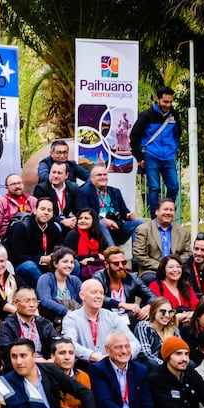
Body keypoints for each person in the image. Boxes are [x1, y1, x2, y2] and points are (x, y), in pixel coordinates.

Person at [61, 279, 141, 365]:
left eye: (101, 293)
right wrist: (93, 355)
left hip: (113, 364)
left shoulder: (113, 316)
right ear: (82, 295)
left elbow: (135, 343)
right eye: (94, 292)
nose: (99, 296)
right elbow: (70, 344)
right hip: (84, 365)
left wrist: (122, 355)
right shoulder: (71, 318)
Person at [131, 86, 181, 217]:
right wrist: (140, 158)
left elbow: (177, 133)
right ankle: (155, 218)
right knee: (154, 188)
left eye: (170, 102)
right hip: (151, 155)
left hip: (168, 156)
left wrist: (173, 148)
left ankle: (167, 213)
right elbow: (134, 136)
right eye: (165, 102)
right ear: (157, 99)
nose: (168, 105)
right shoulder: (146, 115)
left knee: (174, 187)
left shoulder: (174, 115)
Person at [77, 164, 142, 246]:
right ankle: (113, 253)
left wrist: (128, 215)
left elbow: (124, 211)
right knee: (102, 223)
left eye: (105, 174)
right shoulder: (84, 192)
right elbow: (85, 213)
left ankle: (136, 258)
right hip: (97, 228)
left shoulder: (115, 191)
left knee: (138, 223)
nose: (102, 177)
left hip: (117, 226)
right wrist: (102, 219)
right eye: (99, 175)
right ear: (92, 178)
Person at [5, 196, 62, 287]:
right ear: (35, 210)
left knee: (73, 263)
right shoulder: (22, 227)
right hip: (25, 266)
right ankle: (47, 291)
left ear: (52, 214)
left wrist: (55, 257)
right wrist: (41, 259)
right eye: (42, 209)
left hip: (49, 264)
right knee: (29, 267)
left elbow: (60, 248)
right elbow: (17, 257)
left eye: (49, 210)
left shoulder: (54, 228)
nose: (46, 212)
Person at [93, 246, 156, 324]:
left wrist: (149, 306)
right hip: (105, 319)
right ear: (106, 264)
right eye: (116, 263)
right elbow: (97, 297)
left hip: (128, 318)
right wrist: (122, 305)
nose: (121, 266)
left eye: (123, 263)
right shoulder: (99, 277)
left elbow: (152, 296)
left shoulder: (132, 278)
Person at [0, 287, 57, 366]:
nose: (32, 305)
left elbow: (56, 345)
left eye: (34, 301)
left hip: (45, 366)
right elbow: (6, 352)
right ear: (15, 303)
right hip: (19, 366)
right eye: (27, 301)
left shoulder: (44, 324)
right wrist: (34, 360)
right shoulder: (7, 325)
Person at [132, 198, 190, 279]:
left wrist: (174, 266)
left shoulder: (183, 232)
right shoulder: (144, 229)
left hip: (176, 270)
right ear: (156, 211)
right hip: (151, 270)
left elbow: (187, 253)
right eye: (165, 209)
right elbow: (139, 255)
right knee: (152, 279)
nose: (168, 212)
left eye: (171, 210)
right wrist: (163, 267)